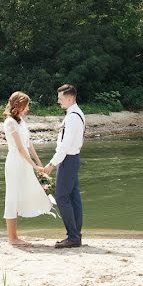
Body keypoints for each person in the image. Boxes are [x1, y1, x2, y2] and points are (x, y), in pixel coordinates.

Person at [2, 91, 52, 246]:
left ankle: (15, 235)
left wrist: (39, 162)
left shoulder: (21, 121)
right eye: (26, 106)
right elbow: (19, 148)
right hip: (15, 162)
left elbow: (28, 144)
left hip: (25, 162)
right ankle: (12, 238)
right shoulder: (10, 122)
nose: (28, 109)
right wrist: (34, 165)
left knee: (29, 191)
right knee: (12, 196)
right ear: (19, 105)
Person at [40, 84, 84, 248]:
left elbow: (65, 146)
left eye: (60, 98)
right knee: (73, 197)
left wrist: (52, 163)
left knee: (61, 197)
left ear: (70, 98)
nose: (58, 101)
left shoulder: (72, 116)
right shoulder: (76, 113)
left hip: (68, 160)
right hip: (73, 159)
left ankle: (73, 237)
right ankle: (76, 235)